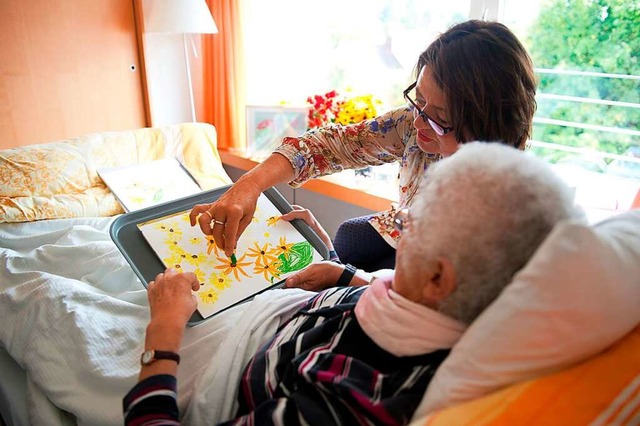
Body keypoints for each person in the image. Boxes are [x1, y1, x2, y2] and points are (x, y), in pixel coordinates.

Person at [123, 142, 581, 425]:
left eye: (411, 223)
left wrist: (162, 332)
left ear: (439, 277)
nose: (397, 224)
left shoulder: (351, 401)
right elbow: (377, 296)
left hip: (214, 353)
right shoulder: (430, 303)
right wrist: (338, 267)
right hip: (292, 307)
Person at [189, 19, 537, 272]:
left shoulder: (505, 211)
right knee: (351, 235)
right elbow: (326, 145)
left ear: (488, 127)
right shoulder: (411, 127)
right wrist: (248, 186)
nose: (416, 123)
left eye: (439, 118)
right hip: (392, 255)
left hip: (412, 290)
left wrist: (346, 278)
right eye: (417, 101)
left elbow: (436, 306)